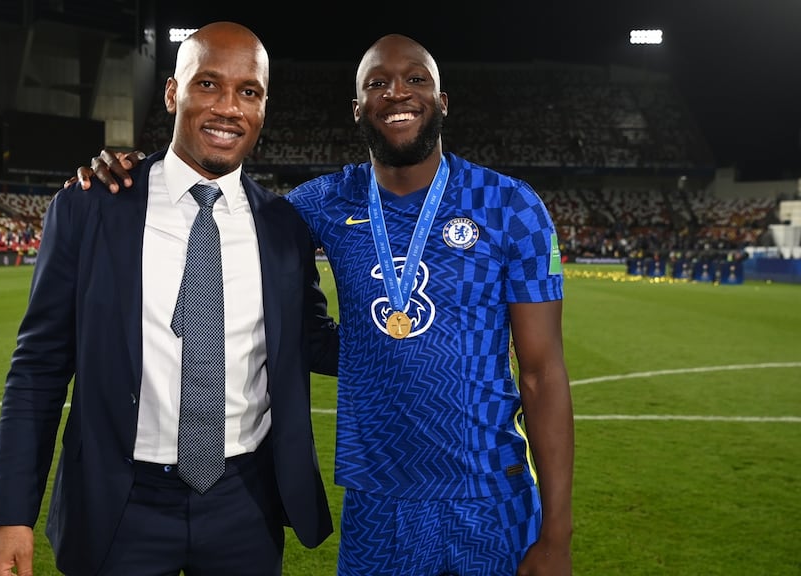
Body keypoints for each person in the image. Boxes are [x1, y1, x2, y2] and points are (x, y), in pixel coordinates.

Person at [80, 33, 573, 576]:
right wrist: (127, 173)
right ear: (357, 108)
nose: (397, 93)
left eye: (416, 80)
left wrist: (556, 534)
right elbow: (225, 214)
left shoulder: (511, 205)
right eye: (377, 83)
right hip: (376, 501)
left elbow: (543, 374)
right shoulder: (324, 202)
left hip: (491, 496)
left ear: (443, 102)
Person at [0, 21, 338, 576]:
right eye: (208, 85)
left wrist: (433, 326)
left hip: (243, 503)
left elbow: (316, 341)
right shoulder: (92, 206)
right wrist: (12, 516)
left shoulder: (284, 227)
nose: (228, 107)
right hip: (119, 502)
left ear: (264, 107)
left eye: (249, 92)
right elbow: (38, 368)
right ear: (172, 92)